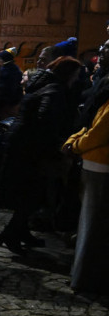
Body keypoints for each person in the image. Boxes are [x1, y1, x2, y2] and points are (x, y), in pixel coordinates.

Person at [0, 56, 77, 254]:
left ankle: (21, 232)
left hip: (23, 145)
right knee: (32, 194)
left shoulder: (42, 85)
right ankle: (11, 233)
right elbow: (45, 119)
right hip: (32, 149)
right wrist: (54, 145)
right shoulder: (54, 90)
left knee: (29, 193)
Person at [62, 81, 109, 294]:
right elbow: (96, 131)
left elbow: (92, 128)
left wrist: (75, 143)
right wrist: (76, 144)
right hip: (99, 163)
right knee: (92, 224)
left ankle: (83, 274)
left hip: (97, 162)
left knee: (91, 224)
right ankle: (83, 277)